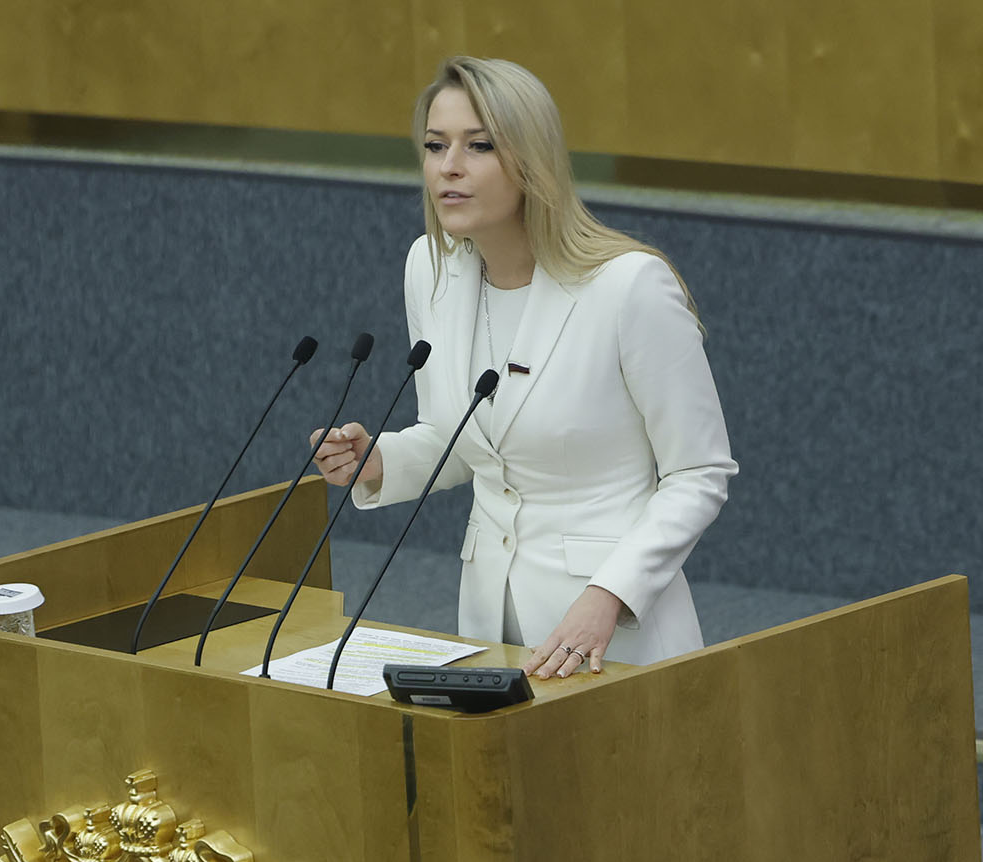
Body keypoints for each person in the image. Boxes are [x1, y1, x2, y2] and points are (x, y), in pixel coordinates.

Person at [311, 56, 737, 680]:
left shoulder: (629, 287)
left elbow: (699, 473)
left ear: (531, 161)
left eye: (479, 145)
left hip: (613, 633)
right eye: (435, 145)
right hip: (489, 620)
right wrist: (381, 461)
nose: (449, 166)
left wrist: (609, 595)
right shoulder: (430, 269)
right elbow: (461, 439)